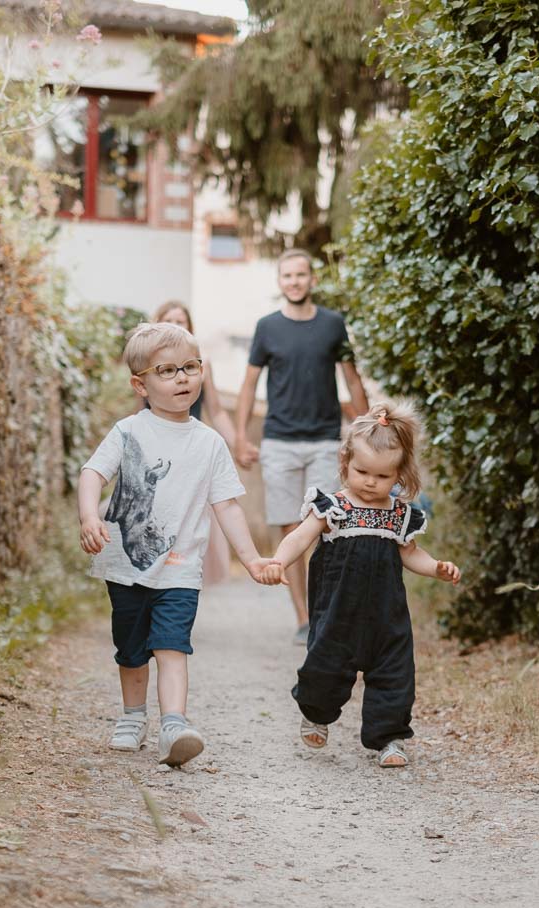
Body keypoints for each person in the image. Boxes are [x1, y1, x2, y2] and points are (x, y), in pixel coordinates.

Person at [79, 322, 271, 767]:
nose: (182, 377)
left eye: (190, 367)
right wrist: (90, 516)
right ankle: (132, 716)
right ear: (140, 385)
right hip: (125, 564)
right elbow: (92, 474)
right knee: (131, 648)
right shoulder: (128, 432)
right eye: (167, 371)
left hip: (181, 568)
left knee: (172, 645)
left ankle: (174, 725)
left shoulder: (209, 443)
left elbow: (228, 507)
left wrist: (253, 558)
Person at [260, 401, 461, 769]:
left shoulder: (400, 515)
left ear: (399, 475)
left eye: (382, 477)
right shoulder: (332, 507)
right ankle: (317, 714)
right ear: (345, 464)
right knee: (326, 665)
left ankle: (389, 738)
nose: (370, 482)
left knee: (395, 672)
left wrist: (437, 568)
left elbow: (411, 554)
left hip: (387, 614)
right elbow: (300, 537)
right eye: (361, 471)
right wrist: (278, 561)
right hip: (338, 611)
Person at [234, 249, 369, 646]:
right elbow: (248, 385)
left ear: (312, 279)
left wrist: (364, 433)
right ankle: (303, 618)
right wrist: (242, 436)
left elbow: (353, 380)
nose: (294, 281)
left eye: (300, 275)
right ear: (280, 282)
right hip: (279, 442)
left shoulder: (333, 324)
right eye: (287, 276)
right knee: (291, 528)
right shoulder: (267, 328)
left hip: (326, 441)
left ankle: (325, 612)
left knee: (326, 529)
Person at [151, 300, 240, 584]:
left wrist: (237, 444)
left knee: (188, 520)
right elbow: (137, 409)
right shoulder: (147, 365)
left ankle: (179, 586)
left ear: (190, 328)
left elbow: (217, 411)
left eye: (182, 321)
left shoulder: (202, 366)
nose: (177, 326)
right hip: (156, 451)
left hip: (189, 451)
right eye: (170, 321)